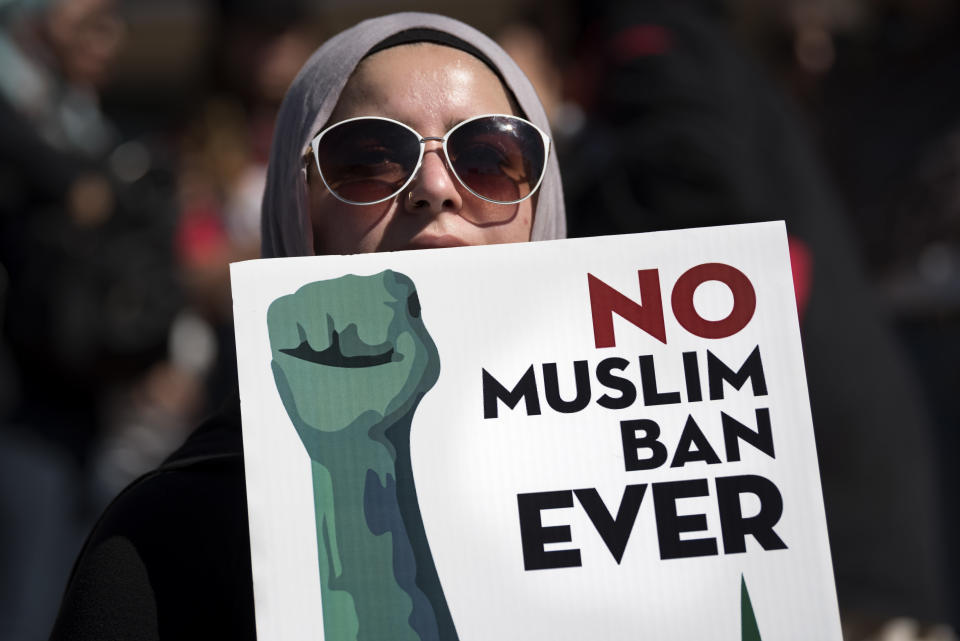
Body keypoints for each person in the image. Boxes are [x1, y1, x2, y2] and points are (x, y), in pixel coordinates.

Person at [48, 12, 565, 640]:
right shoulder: (167, 535)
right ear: (299, 212)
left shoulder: (677, 484)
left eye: (488, 155)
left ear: (544, 203)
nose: (435, 188)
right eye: (369, 158)